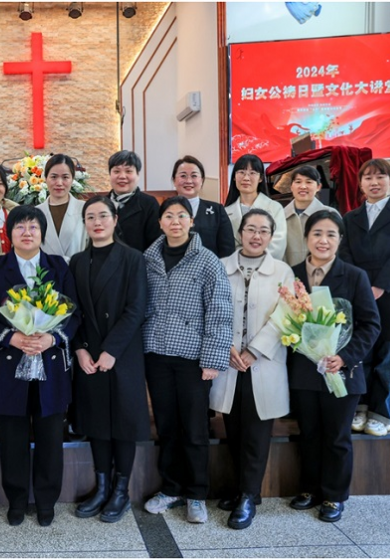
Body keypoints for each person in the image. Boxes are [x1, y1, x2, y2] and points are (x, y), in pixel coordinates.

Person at [0, 206, 81, 527]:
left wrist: (53, 339)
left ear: (42, 233)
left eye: (33, 226)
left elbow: (74, 315)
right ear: (9, 233)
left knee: (50, 438)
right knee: (13, 439)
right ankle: (16, 500)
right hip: (9, 368)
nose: (27, 232)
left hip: (50, 366)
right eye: (20, 227)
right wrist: (11, 338)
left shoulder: (58, 266)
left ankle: (46, 502)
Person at [142, 196, 233, 524]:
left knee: (194, 428)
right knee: (166, 426)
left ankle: (196, 494)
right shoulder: (148, 258)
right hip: (156, 353)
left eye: (182, 216)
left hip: (194, 359)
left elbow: (221, 312)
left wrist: (213, 358)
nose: (175, 221)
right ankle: (171, 487)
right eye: (169, 216)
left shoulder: (207, 261)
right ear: (160, 222)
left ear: (191, 221)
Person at [288, 210, 380, 522]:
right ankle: (309, 489)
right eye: (316, 233)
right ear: (306, 238)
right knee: (309, 433)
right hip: (304, 371)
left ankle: (334, 496)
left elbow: (370, 325)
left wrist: (344, 356)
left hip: (342, 371)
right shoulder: (293, 274)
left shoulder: (355, 276)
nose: (323, 240)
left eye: (330, 234)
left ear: (340, 240)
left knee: (337, 436)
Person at [209, 209, 295, 530]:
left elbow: (286, 314)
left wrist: (254, 350)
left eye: (263, 230)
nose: (256, 235)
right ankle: (243, 489)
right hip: (230, 362)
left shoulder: (283, 272)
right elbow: (213, 309)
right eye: (250, 229)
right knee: (233, 428)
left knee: (257, 433)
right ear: (240, 233)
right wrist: (226, 347)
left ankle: (248, 496)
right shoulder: (221, 267)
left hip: (263, 362)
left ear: (271, 236)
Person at [70, 196, 150, 523]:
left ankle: (121, 491)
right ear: (85, 223)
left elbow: (136, 308)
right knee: (97, 423)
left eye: (103, 215)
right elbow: (70, 310)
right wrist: (80, 349)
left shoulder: (133, 258)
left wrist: (111, 350)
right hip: (89, 354)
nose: (97, 222)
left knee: (123, 424)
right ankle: (101, 487)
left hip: (123, 353)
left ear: (115, 220)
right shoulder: (76, 261)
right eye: (91, 217)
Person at [339, 159, 390, 436]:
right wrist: (362, 288)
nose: (374, 182)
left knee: (388, 361)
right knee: (363, 357)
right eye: (368, 178)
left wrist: (379, 287)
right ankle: (360, 408)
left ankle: (383, 413)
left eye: (380, 176)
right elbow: (345, 253)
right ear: (360, 184)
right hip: (361, 297)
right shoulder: (349, 218)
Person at [224, 154, 287, 260]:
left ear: (261, 178)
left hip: (267, 269)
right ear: (234, 177)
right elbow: (224, 246)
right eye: (241, 172)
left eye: (252, 173)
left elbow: (277, 245)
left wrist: (252, 263)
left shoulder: (275, 208)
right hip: (234, 270)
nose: (246, 178)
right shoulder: (225, 211)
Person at [172, 155, 235, 258]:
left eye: (194, 176)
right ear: (174, 180)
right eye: (183, 176)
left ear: (201, 180)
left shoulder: (217, 211)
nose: (188, 181)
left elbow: (227, 251)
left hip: (210, 271)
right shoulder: (165, 211)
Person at [283, 165, 339, 266]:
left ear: (318, 187)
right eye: (298, 182)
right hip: (288, 276)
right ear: (291, 187)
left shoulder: (330, 215)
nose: (303, 186)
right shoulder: (280, 216)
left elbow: (339, 249)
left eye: (309, 182)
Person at [36, 154, 87, 263]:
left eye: (65, 177)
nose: (59, 183)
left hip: (78, 274)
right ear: (45, 178)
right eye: (54, 177)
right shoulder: (36, 213)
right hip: (46, 276)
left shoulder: (85, 209)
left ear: (72, 179)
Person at [107, 150, 161, 251]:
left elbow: (155, 244)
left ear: (138, 175)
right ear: (110, 174)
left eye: (128, 171)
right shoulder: (101, 203)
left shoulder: (149, 204)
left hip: (138, 264)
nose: (122, 176)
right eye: (116, 171)